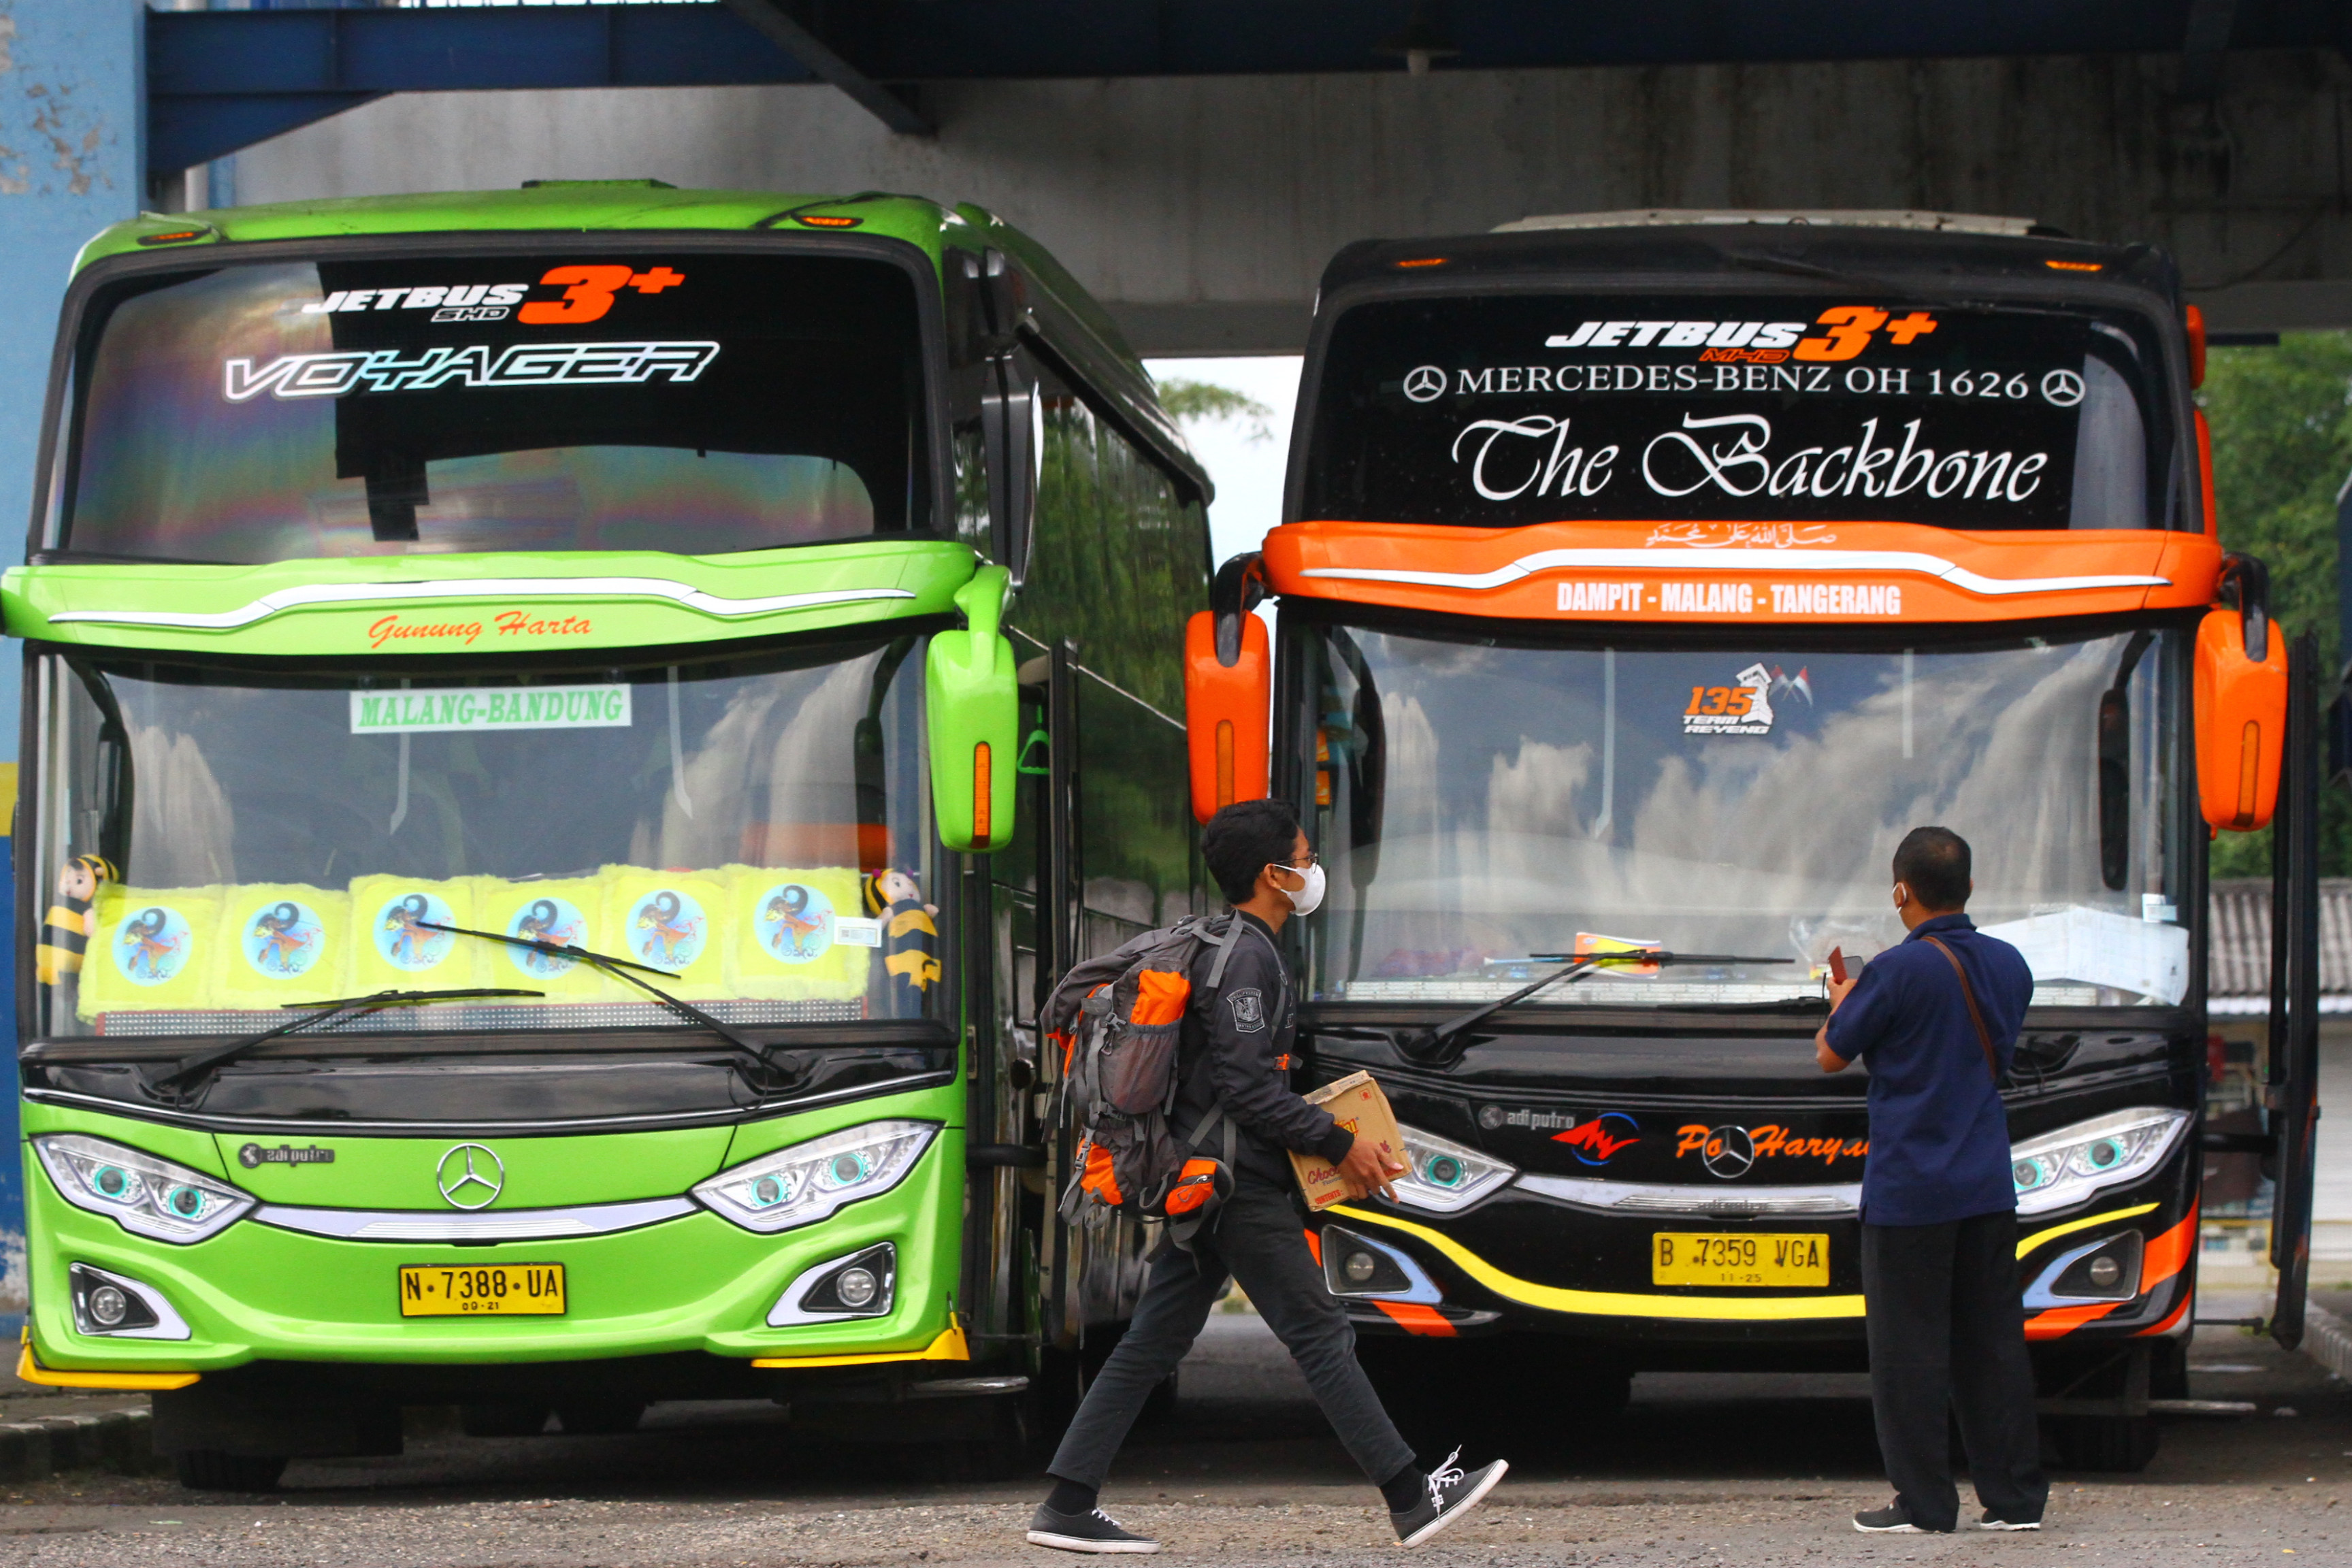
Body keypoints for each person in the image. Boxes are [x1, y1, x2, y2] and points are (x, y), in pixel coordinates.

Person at [1025, 798, 1507, 1554]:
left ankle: (1067, 1503)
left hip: (1210, 1177)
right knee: (1319, 1333)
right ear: (1273, 875)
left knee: (1152, 1340)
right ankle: (1413, 1497)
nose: (1314, 871)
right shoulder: (1246, 956)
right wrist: (1337, 1141)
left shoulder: (1221, 945)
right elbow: (1249, 1089)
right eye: (1306, 859)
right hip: (1235, 1185)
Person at [1816, 826, 2046, 1535]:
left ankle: (1925, 1504)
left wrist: (1842, 998)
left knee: (1910, 1351)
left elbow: (1831, 1055)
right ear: (1970, 888)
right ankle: (2014, 1503)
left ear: (1900, 892)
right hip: (1985, 1182)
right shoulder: (2011, 965)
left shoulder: (1894, 971)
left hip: (1911, 1188)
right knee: (1993, 1344)